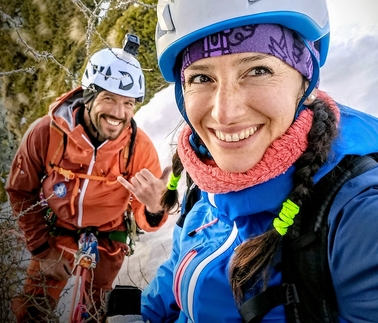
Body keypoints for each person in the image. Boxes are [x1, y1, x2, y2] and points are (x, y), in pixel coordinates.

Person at [138, 0, 378, 322]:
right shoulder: (206, 176)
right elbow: (178, 269)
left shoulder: (359, 218)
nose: (225, 113)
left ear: (307, 84)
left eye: (258, 70)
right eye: (200, 78)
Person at [6, 34, 169, 323]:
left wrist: (156, 207)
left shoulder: (138, 149)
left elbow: (145, 217)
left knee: (92, 314)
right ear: (89, 96)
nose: (119, 114)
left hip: (108, 242)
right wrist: (42, 250)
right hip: (55, 235)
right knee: (31, 312)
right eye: (109, 99)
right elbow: (21, 191)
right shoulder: (47, 133)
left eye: (128, 103)